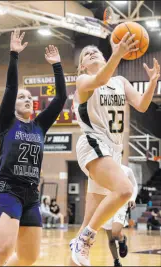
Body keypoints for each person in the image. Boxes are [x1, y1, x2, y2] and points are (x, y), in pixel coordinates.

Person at [71, 32, 160, 266]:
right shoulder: (82, 82)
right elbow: (100, 79)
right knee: (124, 189)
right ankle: (86, 239)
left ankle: (80, 244)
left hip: (112, 152)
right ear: (82, 66)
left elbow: (141, 104)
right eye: (86, 53)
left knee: (86, 225)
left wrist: (152, 84)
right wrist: (117, 54)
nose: (91, 52)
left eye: (95, 51)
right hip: (93, 143)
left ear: (103, 57)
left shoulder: (120, 82)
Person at [0, 29, 67, 266]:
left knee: (28, 257)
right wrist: (14, 54)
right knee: (3, 248)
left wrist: (57, 66)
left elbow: (60, 98)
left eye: (29, 97)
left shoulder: (39, 126)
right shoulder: (7, 122)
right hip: (7, 189)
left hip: (32, 195)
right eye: (21, 97)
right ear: (12, 105)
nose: (26, 99)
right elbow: (10, 89)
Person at [70, 165, 138, 267]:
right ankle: (116, 262)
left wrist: (132, 198)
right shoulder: (103, 167)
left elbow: (134, 185)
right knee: (110, 239)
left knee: (115, 232)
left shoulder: (126, 170)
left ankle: (122, 240)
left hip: (120, 205)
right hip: (107, 204)